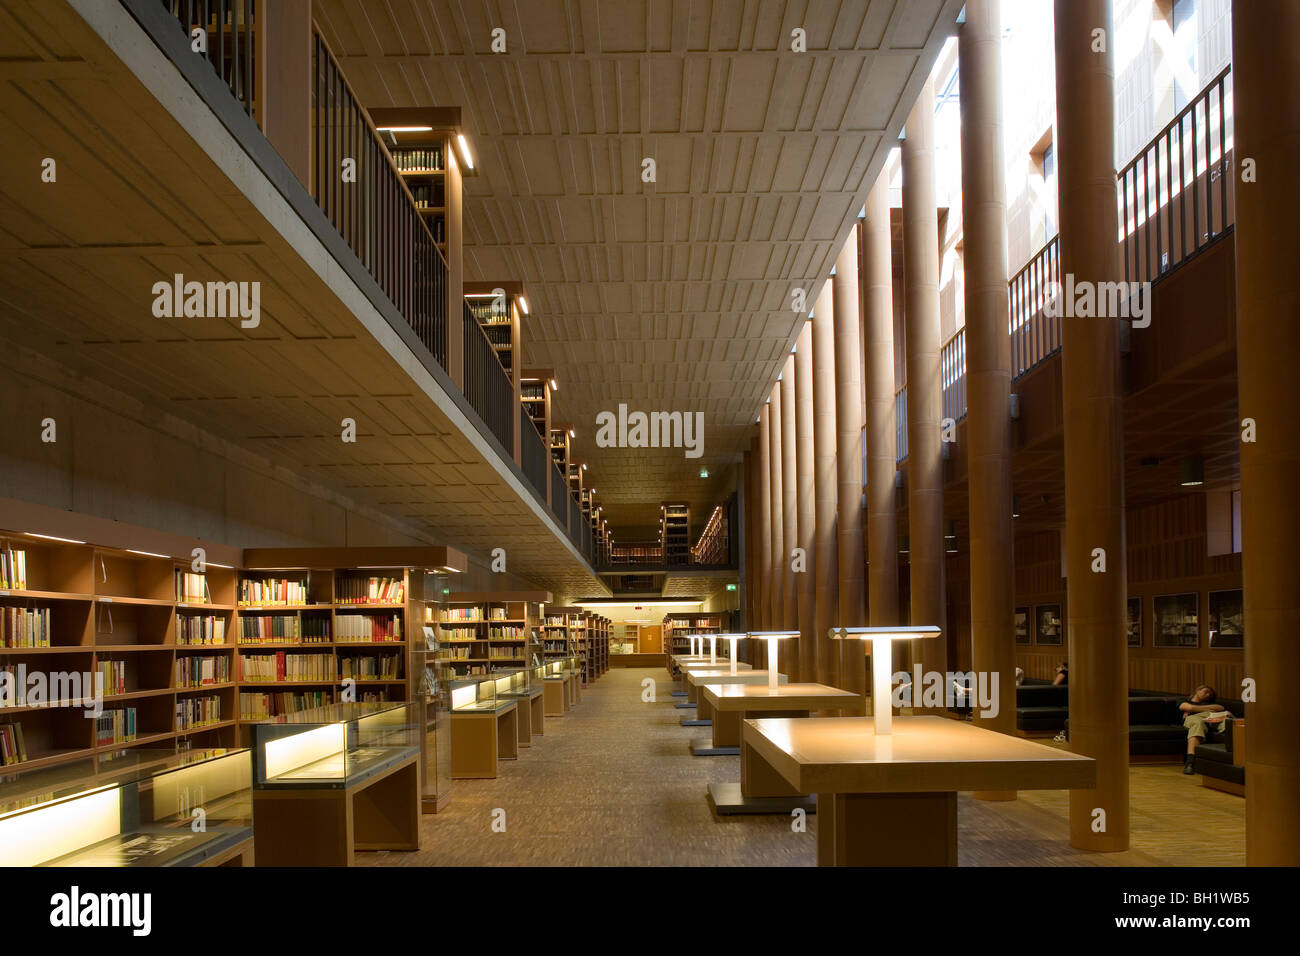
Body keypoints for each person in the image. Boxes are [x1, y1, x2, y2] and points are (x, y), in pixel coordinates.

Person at [1180, 684, 1229, 774]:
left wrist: (1195, 709)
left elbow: (1220, 708)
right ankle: (1190, 762)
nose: (1208, 695)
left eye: (1210, 694)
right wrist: (1208, 709)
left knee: (1227, 720)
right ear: (1197, 690)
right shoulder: (1184, 700)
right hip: (1193, 718)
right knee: (1198, 723)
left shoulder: (1209, 703)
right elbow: (1187, 707)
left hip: (1210, 720)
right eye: (1206, 692)